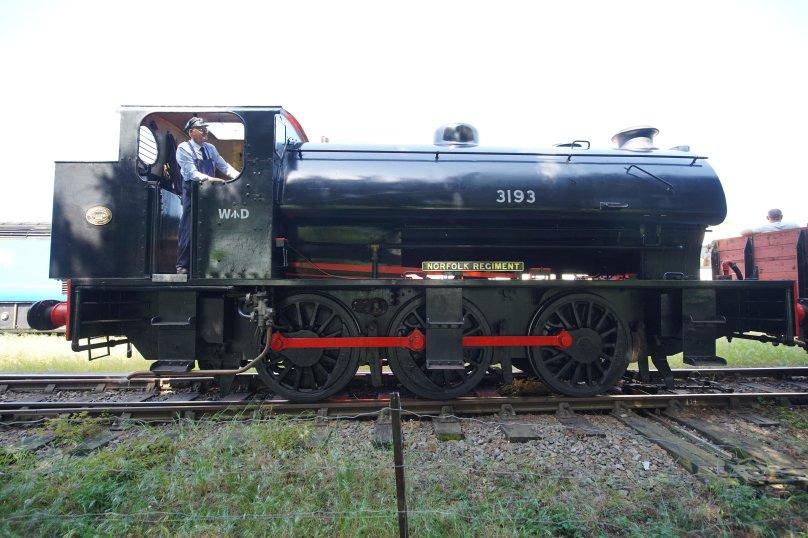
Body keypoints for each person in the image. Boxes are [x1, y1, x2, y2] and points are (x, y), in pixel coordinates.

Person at [176, 117, 240, 274]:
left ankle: (206, 264)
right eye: (201, 128)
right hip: (193, 192)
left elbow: (224, 166)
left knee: (212, 227)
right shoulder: (183, 148)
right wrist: (211, 179)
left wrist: (240, 177)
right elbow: (191, 173)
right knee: (189, 227)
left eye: (206, 127)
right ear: (191, 132)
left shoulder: (210, 148)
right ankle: (182, 265)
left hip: (210, 193)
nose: (205, 131)